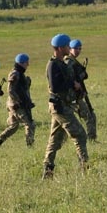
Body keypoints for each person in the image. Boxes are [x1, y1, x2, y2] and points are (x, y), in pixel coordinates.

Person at [42, 34, 89, 179]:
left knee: (55, 140)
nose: (70, 48)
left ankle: (47, 171)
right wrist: (72, 84)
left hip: (63, 106)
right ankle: (85, 169)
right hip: (60, 106)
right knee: (80, 134)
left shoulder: (61, 63)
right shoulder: (53, 64)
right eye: (68, 46)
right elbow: (55, 87)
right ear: (61, 48)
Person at [0, 53, 36, 147]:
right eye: (26, 63)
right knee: (30, 124)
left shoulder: (19, 73)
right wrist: (18, 101)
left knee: (13, 126)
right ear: (21, 63)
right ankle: (30, 145)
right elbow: (10, 89)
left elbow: (20, 88)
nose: (28, 65)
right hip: (17, 105)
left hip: (14, 104)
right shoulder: (15, 73)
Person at [65, 39, 97, 141]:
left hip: (77, 95)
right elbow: (69, 78)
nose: (78, 51)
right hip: (73, 96)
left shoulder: (73, 61)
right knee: (90, 117)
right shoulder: (69, 62)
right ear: (70, 49)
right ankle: (91, 139)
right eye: (76, 49)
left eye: (79, 49)